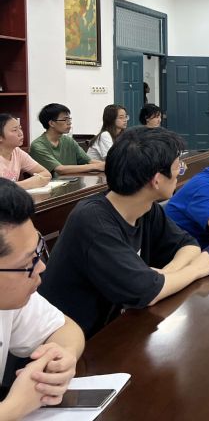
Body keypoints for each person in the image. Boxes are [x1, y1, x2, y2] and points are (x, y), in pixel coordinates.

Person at [39, 127, 209, 338]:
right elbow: (146, 292)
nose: (180, 173)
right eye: (179, 167)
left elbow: (188, 245)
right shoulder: (93, 221)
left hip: (117, 325)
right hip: (73, 342)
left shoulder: (146, 208)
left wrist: (166, 274)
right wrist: (196, 270)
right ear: (157, 180)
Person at [0, 179, 85, 417]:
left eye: (38, 252)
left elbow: (65, 328)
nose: (41, 268)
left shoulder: (11, 299)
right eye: (27, 263)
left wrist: (63, 356)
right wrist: (15, 406)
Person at [28, 103, 104, 176]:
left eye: (69, 119)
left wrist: (106, 165)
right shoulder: (38, 145)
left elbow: (89, 161)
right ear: (51, 123)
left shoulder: (69, 141)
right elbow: (60, 169)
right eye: (65, 120)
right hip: (52, 184)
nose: (69, 123)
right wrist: (96, 167)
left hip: (74, 182)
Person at [0, 114, 51, 189]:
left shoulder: (17, 152)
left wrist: (18, 186)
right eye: (14, 130)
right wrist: (29, 183)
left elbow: (46, 174)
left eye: (20, 128)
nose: (21, 133)